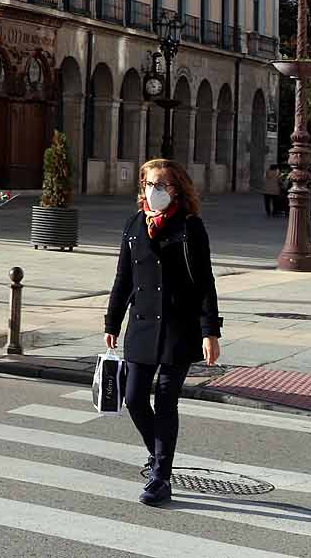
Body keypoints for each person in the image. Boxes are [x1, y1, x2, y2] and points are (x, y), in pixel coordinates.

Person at [104, 158, 223, 507]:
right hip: (141, 325)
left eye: (161, 185)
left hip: (178, 328)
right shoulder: (134, 225)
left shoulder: (190, 227)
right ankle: (158, 455)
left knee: (166, 400)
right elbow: (123, 278)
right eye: (148, 184)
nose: (153, 191)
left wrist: (210, 332)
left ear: (176, 189)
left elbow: (205, 283)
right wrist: (112, 321)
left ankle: (160, 478)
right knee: (134, 398)